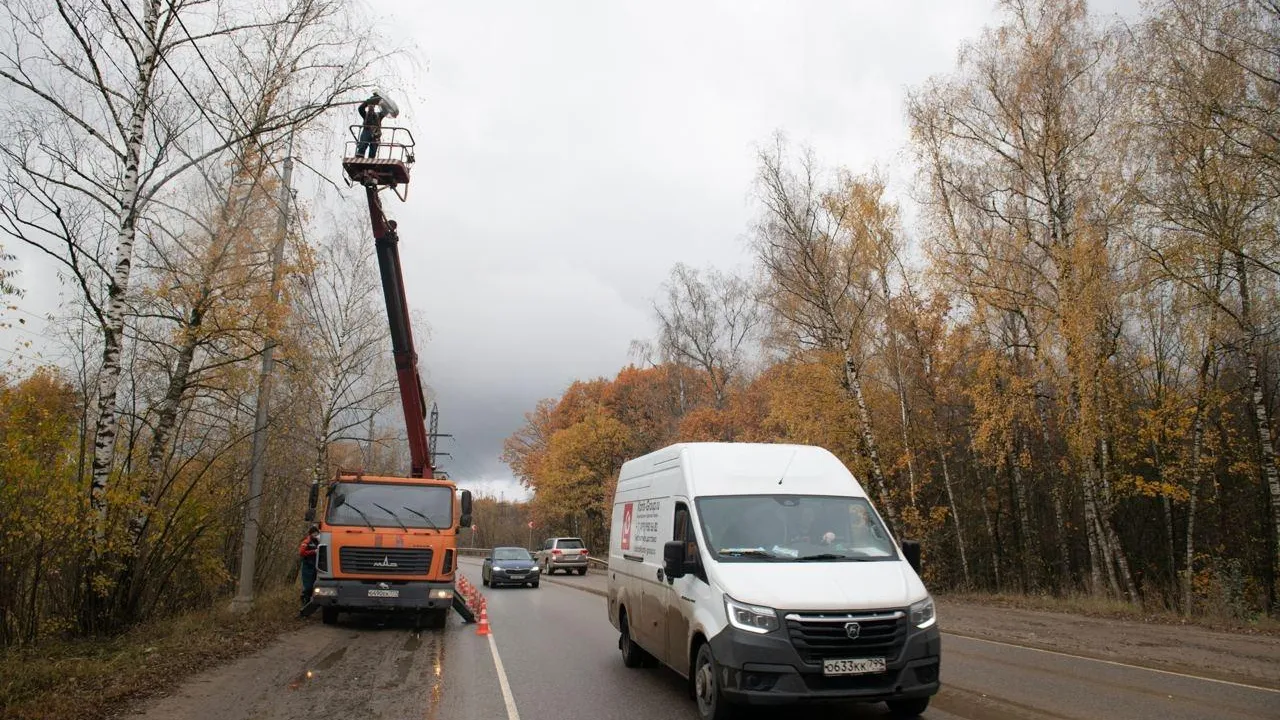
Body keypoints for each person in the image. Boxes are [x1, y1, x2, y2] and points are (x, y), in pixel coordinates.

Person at [355, 91, 386, 158]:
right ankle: (360, 155)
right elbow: (360, 108)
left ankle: (371, 158)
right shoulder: (365, 115)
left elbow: (385, 111)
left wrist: (381, 102)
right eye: (369, 106)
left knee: (373, 149)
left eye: (372, 106)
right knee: (362, 145)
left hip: (375, 133)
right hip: (366, 131)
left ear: (374, 107)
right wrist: (367, 102)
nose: (370, 107)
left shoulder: (378, 115)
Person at [298, 524, 320, 611]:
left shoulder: (318, 541)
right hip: (307, 567)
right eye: (314, 533)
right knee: (308, 586)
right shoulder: (306, 542)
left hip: (315, 567)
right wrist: (313, 552)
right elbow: (302, 553)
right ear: (311, 534)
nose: (315, 535)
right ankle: (304, 601)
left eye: (316, 533)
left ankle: (310, 603)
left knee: (314, 585)